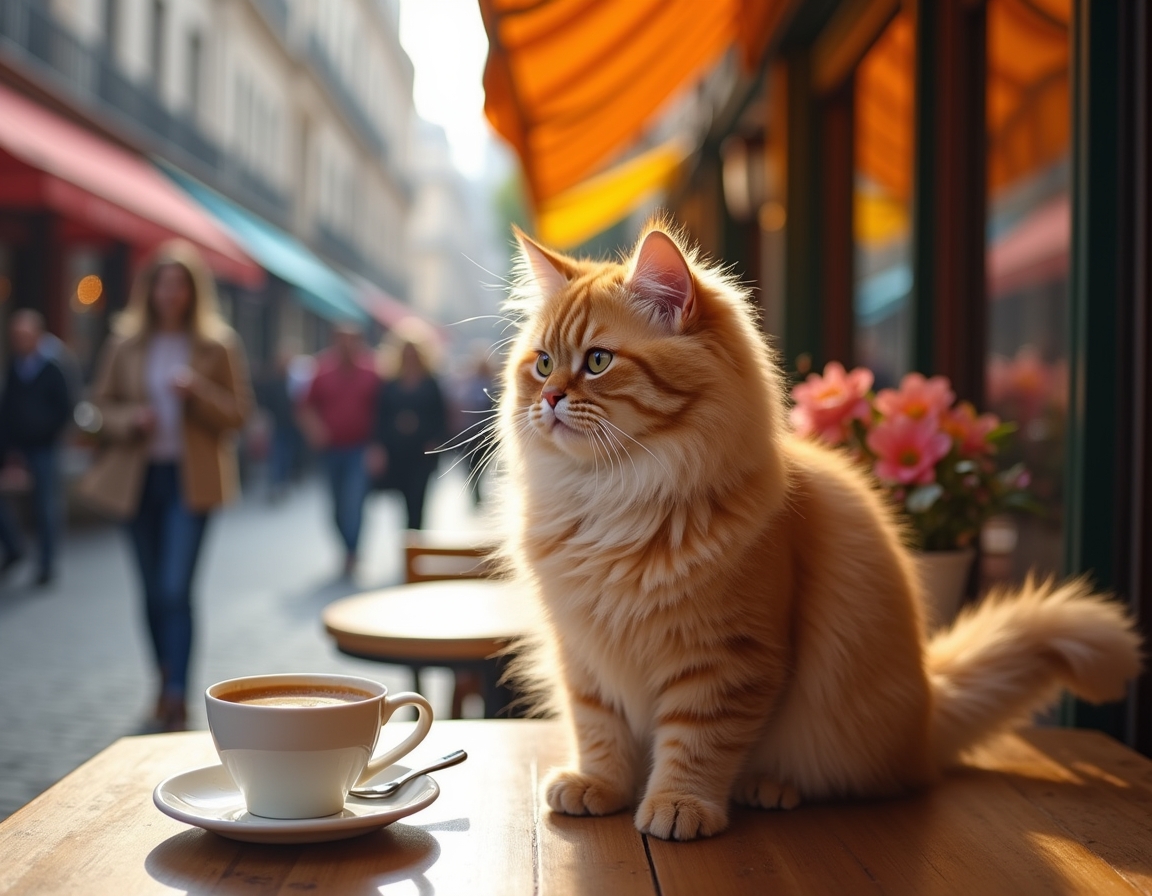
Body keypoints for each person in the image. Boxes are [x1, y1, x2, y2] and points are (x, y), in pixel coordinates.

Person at [80, 241, 252, 731]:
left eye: (180, 284)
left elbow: (239, 415)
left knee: (177, 588)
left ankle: (176, 691)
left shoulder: (217, 346)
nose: (170, 293)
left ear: (193, 292)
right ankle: (162, 679)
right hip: (137, 481)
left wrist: (197, 393)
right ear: (149, 288)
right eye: (162, 283)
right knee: (152, 591)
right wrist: (130, 418)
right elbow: (96, 410)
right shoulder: (124, 344)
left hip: (190, 483)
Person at [298, 324, 379, 576]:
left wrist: (377, 446)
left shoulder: (371, 372)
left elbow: (381, 410)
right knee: (335, 505)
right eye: (341, 340)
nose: (346, 346)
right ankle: (346, 547)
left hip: (359, 448)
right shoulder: (322, 370)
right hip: (331, 449)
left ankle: (352, 552)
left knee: (353, 502)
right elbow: (305, 407)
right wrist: (315, 430)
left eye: (351, 341)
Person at [0, 310, 75, 585]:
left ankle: (46, 563)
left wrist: (46, 433)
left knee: (46, 504)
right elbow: (8, 406)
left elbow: (66, 406)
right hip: (18, 443)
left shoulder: (54, 364)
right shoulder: (16, 363)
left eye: (24, 335)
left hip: (45, 445)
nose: (20, 340)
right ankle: (13, 547)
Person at [368, 327, 448, 530]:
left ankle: (415, 543)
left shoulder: (431, 383)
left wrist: (435, 440)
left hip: (422, 452)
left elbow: (441, 416)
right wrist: (379, 447)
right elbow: (381, 416)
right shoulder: (391, 384)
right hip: (397, 451)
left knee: (418, 500)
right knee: (402, 500)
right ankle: (407, 543)